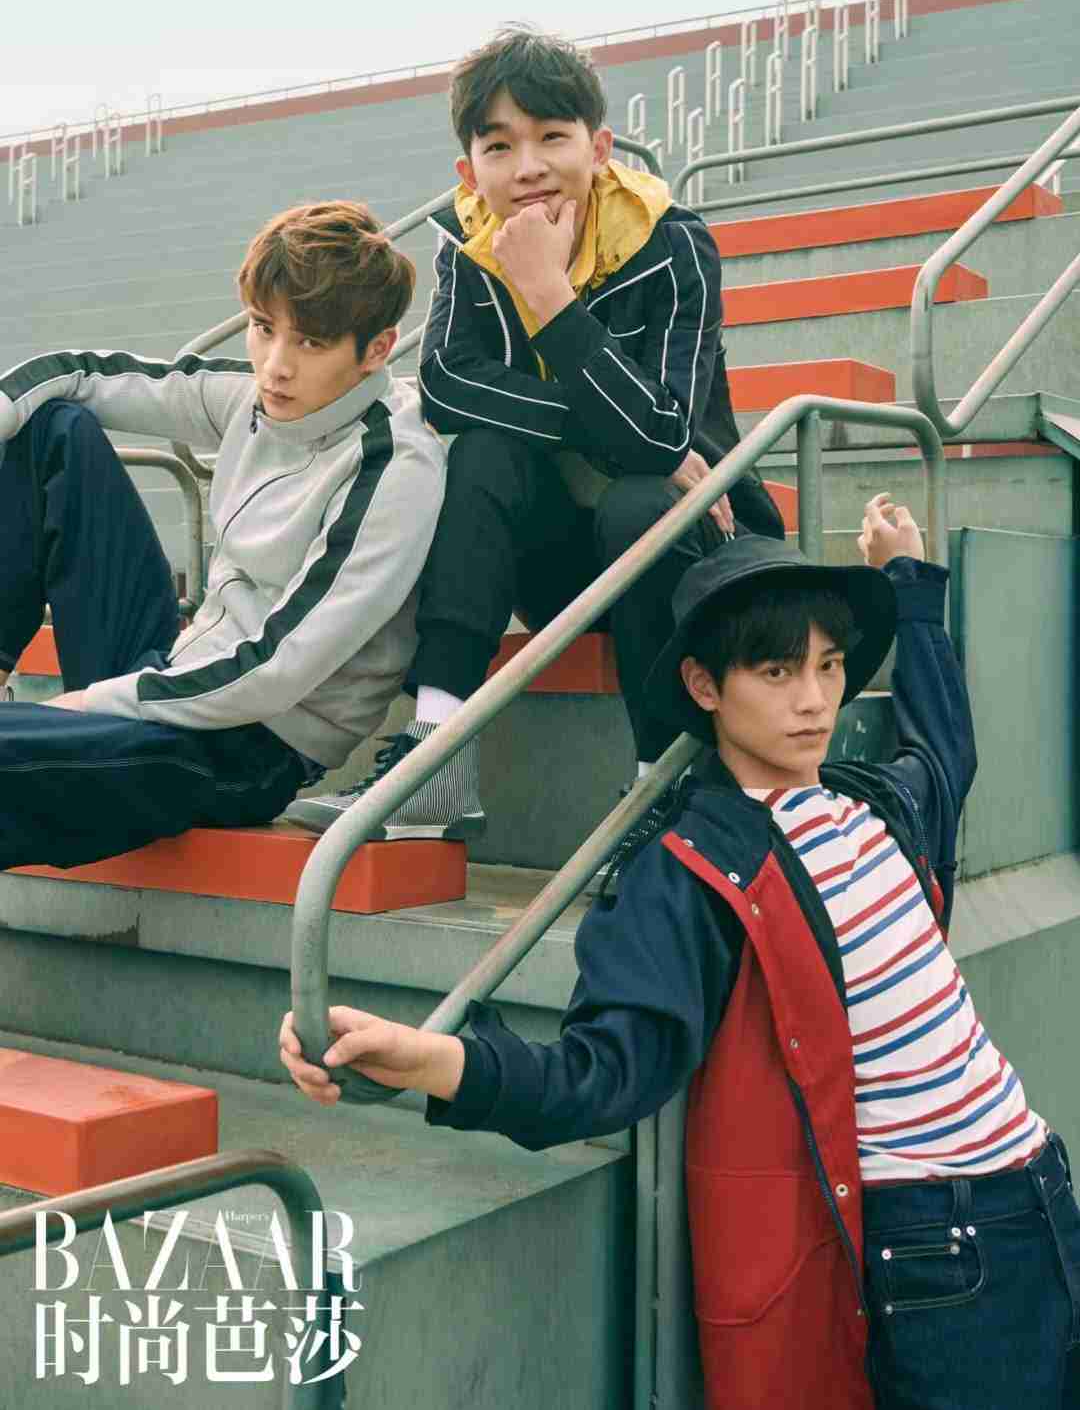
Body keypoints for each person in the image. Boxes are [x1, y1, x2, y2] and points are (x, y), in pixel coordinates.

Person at [280, 495, 1080, 1410]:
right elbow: (603, 1069)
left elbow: (944, 756)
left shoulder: (872, 804)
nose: (814, 699)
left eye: (827, 665)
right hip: (941, 1247)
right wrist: (433, 1061)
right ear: (705, 685)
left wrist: (909, 580)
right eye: (777, 671)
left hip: (1042, 1187)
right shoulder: (693, 868)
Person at [287, 26, 783, 840]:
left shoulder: (672, 242)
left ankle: (662, 792)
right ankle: (436, 762)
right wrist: (608, 433)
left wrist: (549, 296)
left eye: (552, 137)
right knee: (484, 454)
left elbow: (664, 434)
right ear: (469, 170)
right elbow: (447, 386)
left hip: (689, 556)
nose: (527, 167)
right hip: (563, 568)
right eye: (499, 146)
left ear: (599, 148)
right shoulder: (471, 245)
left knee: (638, 498)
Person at [0, 200, 446, 873]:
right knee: (48, 426)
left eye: (311, 343)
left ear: (377, 350)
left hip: (246, 745)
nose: (276, 366)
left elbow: (276, 669)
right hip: (172, 670)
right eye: (265, 329)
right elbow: (84, 373)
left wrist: (89, 704)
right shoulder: (255, 397)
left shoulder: (392, 466)